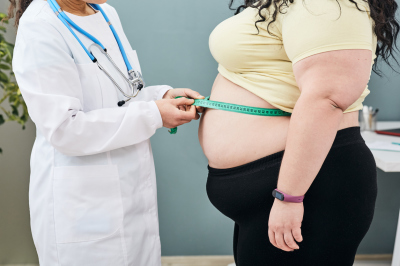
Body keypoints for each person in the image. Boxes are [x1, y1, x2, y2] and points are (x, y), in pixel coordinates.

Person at [199, 0, 399, 265]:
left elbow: (327, 98)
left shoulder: (331, 4)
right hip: (274, 192)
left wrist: (289, 197)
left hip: (309, 187)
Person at [8, 0, 203, 265]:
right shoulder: (40, 25)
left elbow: (120, 97)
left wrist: (161, 97)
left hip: (133, 197)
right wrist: (154, 113)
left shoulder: (106, 13)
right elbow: (65, 129)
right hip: (83, 210)